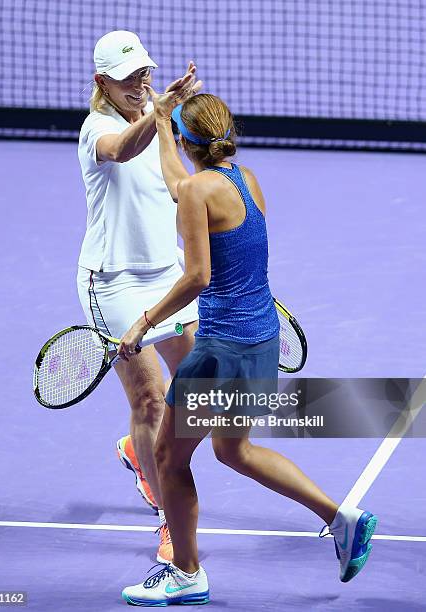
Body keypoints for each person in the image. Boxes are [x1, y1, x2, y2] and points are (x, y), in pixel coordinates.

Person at [118, 91, 378, 606]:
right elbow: (181, 186)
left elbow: (197, 276)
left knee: (169, 457)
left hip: (221, 353)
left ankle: (187, 573)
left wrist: (143, 322)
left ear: (188, 143)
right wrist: (166, 127)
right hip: (259, 342)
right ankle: (340, 518)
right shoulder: (244, 179)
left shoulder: (196, 192)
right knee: (234, 450)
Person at [77, 30, 202, 564]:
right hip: (114, 283)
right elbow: (125, 151)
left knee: (205, 394)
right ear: (104, 82)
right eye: (129, 78)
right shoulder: (97, 130)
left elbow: (178, 186)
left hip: (166, 275)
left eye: (145, 74)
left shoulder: (162, 118)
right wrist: (159, 114)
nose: (141, 84)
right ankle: (169, 521)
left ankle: (138, 450)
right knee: (151, 399)